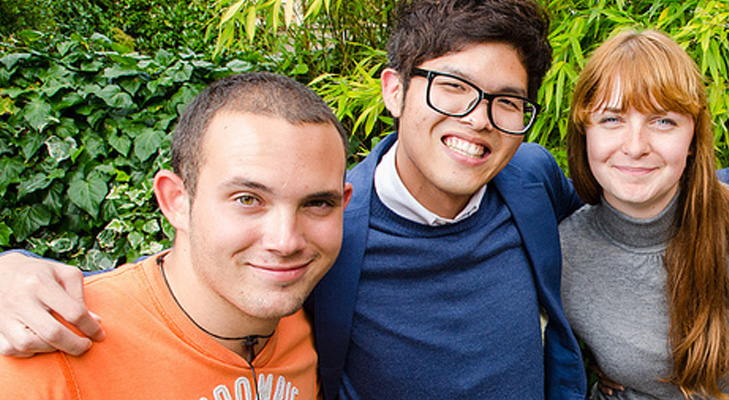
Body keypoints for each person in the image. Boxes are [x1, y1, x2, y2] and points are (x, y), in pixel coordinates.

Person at [0, 1, 589, 399]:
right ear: (393, 89)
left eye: (506, 102)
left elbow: (614, 226)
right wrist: (12, 270)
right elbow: (189, 273)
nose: (478, 120)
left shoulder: (531, 179)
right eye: (452, 87)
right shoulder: (329, 236)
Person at [0, 72, 352, 398]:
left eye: (317, 203)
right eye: (248, 200)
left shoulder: (326, 315)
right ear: (176, 201)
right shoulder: (48, 345)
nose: (286, 241)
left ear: (344, 204)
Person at [559, 29, 729, 400]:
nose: (636, 146)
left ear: (693, 138)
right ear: (584, 132)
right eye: (612, 119)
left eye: (663, 121)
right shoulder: (560, 252)